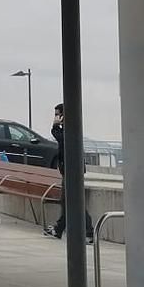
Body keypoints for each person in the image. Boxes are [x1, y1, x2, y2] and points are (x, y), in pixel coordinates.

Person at [44, 103, 90, 242]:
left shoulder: (70, 127)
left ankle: (88, 231)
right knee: (66, 202)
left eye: (58, 114)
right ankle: (59, 229)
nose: (56, 117)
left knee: (74, 201)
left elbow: (62, 140)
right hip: (68, 170)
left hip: (73, 171)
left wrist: (54, 126)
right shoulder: (67, 127)